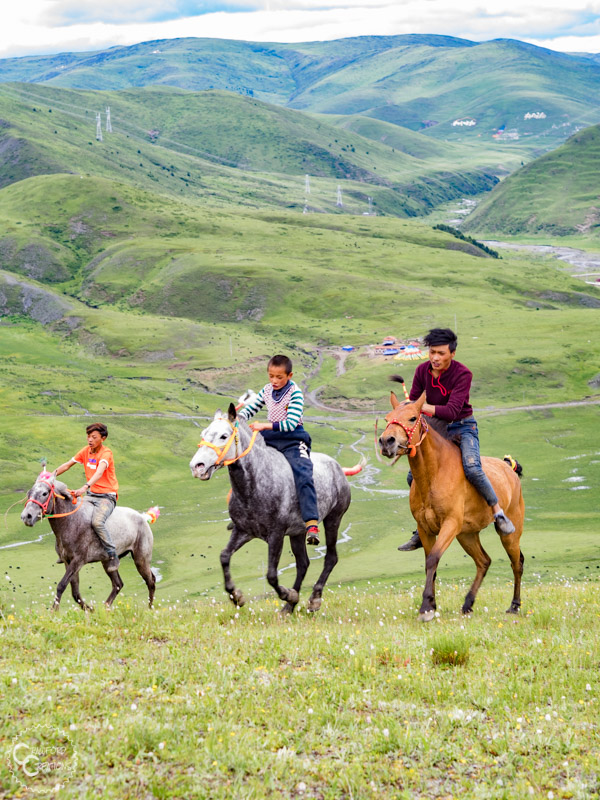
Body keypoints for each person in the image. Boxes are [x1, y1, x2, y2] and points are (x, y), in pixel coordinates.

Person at [398, 327, 515, 552]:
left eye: (441, 353)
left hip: (462, 426)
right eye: (432, 352)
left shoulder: (463, 374)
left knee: (472, 467)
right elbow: (413, 403)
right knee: (413, 476)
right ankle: (421, 528)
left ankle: (498, 512)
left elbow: (451, 411)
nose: (435, 357)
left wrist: (420, 406)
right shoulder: (421, 371)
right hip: (434, 428)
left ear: (452, 353)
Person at [238, 354, 321, 545]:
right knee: (244, 465)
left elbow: (291, 423)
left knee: (303, 473)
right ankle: (242, 514)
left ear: (289, 375)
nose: (274, 381)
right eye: (271, 376)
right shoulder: (267, 390)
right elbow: (253, 407)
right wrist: (239, 416)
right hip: (270, 439)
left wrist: (264, 426)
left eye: (279, 377)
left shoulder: (295, 394)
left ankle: (311, 523)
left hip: (293, 439)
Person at [54, 423, 120, 571]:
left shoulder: (106, 453)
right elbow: (68, 465)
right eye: (88, 436)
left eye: (94, 437)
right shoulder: (86, 451)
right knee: (70, 514)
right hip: (91, 496)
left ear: (103, 438)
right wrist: (49, 476)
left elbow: (99, 471)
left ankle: (112, 554)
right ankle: (63, 550)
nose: (90, 440)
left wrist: (85, 486)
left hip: (106, 497)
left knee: (97, 522)